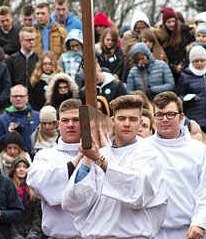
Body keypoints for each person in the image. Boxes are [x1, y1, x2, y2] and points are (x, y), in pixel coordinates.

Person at [61, 95, 167, 238]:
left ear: (141, 122)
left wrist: (99, 159)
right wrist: (87, 158)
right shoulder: (98, 154)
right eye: (122, 118)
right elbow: (73, 203)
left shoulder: (148, 154)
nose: (127, 124)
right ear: (113, 121)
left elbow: (136, 191)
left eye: (133, 119)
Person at [145, 91, 206, 238]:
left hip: (189, 231)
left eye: (170, 114)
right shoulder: (143, 148)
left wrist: (200, 222)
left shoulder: (198, 150)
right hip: (152, 232)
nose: (164, 120)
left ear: (181, 117)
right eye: (159, 115)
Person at [27, 99, 83, 238]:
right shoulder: (46, 155)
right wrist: (76, 161)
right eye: (65, 120)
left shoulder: (98, 154)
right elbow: (39, 185)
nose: (70, 125)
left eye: (76, 120)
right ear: (58, 124)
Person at [0, 85, 40, 156]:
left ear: (27, 98)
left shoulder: (37, 117)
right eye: (15, 96)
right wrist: (8, 134)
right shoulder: (2, 119)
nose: (18, 99)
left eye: (21, 96)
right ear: (10, 98)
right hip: (11, 161)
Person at [155, 7, 195, 85]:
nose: (172, 24)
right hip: (169, 71)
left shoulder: (186, 32)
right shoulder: (160, 36)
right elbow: (161, 56)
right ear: (164, 23)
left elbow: (191, 50)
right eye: (168, 22)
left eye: (173, 21)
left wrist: (183, 64)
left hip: (186, 67)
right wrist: (172, 67)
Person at [10, 157, 42, 239]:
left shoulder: (34, 189)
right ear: (14, 169)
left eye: (24, 167)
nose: (21, 169)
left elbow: (37, 215)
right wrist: (15, 234)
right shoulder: (9, 188)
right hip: (14, 233)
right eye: (18, 167)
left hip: (32, 232)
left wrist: (34, 231)